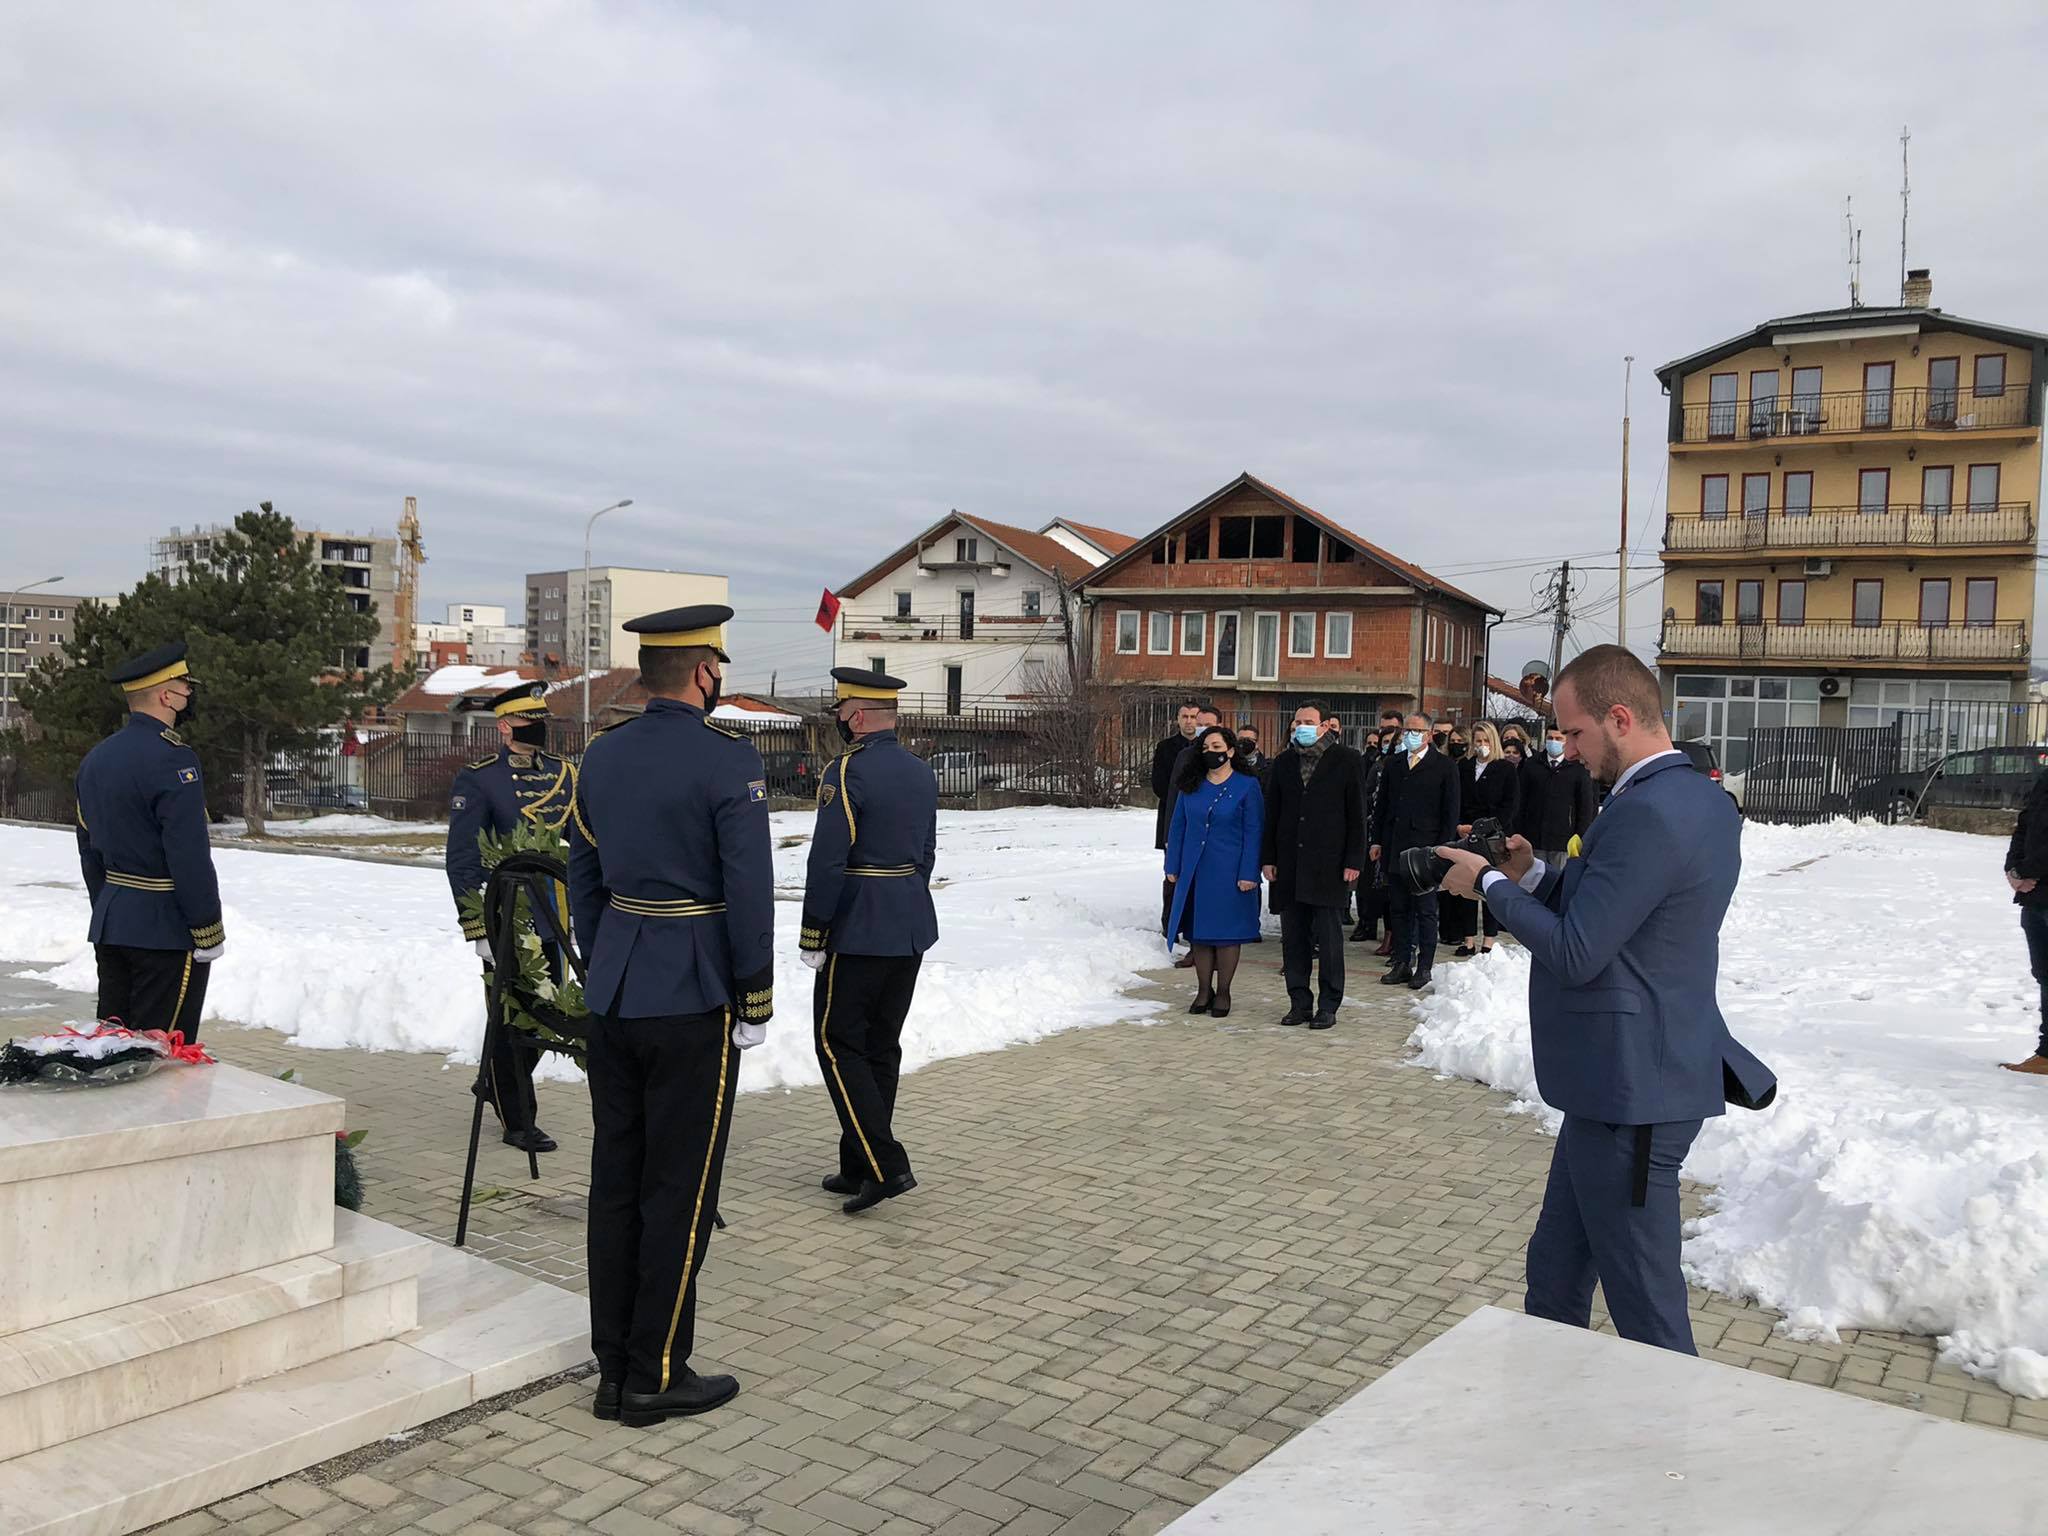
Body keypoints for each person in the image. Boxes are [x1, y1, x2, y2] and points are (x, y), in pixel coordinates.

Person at [1433, 645, 1776, 1356]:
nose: (1566, 749)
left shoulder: (1651, 809)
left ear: (1620, 718)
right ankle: (1554, 1408)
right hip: (1613, 1087)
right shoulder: (1691, 798)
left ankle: (1668, 1452)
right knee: (1554, 1274)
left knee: (1646, 1310)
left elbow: (1580, 952)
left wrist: (1489, 888)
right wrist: (1531, 876)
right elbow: (1624, 912)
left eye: (1575, 733)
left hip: (1635, 1095)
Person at [568, 605, 774, 1426]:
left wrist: (609, 953)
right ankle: (656, 1374)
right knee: (679, 1189)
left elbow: (583, 878)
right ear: (704, 673)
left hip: (616, 990)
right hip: (692, 996)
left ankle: (613, 1366)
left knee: (616, 1181)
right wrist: (753, 994)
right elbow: (749, 891)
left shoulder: (601, 756)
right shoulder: (727, 761)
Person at [800, 667, 940, 1212]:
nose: (837, 721)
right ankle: (858, 1160)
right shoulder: (919, 770)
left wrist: (815, 930)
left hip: (858, 927)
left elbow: (828, 858)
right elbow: (927, 852)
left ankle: (884, 1164)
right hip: (907, 921)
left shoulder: (845, 772)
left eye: (839, 712)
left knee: (838, 1044)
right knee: (880, 1045)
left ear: (855, 717)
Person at [445, 680, 577, 1154]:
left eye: (542, 721)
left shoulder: (566, 774)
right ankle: (519, 1120)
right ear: (505, 727)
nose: (538, 729)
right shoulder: (480, 779)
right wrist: (478, 926)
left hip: (559, 912)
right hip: (510, 918)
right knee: (514, 1017)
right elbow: (462, 860)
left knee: (553, 1014)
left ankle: (495, 1080)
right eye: (528, 722)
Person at [73, 641, 224, 1039]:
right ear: (166, 695)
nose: (189, 693)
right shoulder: (174, 759)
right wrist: (207, 927)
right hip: (164, 931)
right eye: (184, 686)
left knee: (114, 1051)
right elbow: (188, 854)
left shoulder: (96, 759)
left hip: (112, 924)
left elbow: (89, 851)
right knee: (162, 1055)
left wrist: (110, 908)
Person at [1260, 701, 1363, 1029]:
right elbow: (1272, 813)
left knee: (1329, 940)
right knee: (1294, 938)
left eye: (1309, 721)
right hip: (1290, 863)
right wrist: (1269, 858)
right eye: (1297, 721)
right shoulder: (1284, 762)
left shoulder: (1346, 760)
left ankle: (1328, 1004)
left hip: (1328, 864)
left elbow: (1356, 815)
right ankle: (1299, 1001)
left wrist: (1353, 860)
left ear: (1324, 726)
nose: (1302, 726)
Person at [1165, 725, 1264, 1018]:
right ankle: (1203, 990)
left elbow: (1253, 830)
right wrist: (1173, 866)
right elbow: (1178, 826)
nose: (1211, 753)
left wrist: (1249, 872)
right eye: (1206, 748)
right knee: (1200, 934)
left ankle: (1223, 992)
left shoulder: (1247, 786)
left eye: (1217, 748)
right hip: (1196, 870)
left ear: (1231, 751)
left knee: (1226, 934)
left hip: (1230, 871)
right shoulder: (1191, 785)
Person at [1371, 712, 1459, 990]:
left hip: (1426, 850)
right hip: (1396, 846)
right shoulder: (1395, 763)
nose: (1411, 734)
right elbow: (1382, 806)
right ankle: (1401, 961)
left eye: (1417, 730)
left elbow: (1450, 812)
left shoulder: (1444, 767)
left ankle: (1424, 966)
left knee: (1425, 910)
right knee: (1398, 908)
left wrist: (1442, 848)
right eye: (1407, 730)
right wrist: (1377, 841)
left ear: (1430, 734)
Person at [1160, 705, 1222, 966]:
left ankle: (1220, 947)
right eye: (1200, 723)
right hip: (1191, 836)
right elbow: (1174, 798)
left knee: (1216, 894)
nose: (1203, 728)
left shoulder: (1229, 755)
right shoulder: (1186, 756)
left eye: (1210, 724)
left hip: (1220, 839)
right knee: (1191, 893)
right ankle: (1195, 948)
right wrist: (1170, 837)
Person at [1451, 722, 1519, 958]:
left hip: (1493, 836)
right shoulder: (1464, 767)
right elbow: (1455, 798)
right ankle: (1467, 938)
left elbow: (1509, 805)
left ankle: (1488, 939)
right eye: (1478, 741)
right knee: (1467, 886)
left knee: (1490, 885)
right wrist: (1459, 825)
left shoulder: (1505, 769)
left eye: (1486, 741)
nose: (1482, 746)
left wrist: (1486, 828)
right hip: (1466, 834)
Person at [2002, 765, 2048, 1076]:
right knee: (2045, 974)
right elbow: (2024, 824)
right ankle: (2046, 1055)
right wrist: (2013, 869)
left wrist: (2027, 870)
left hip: (2036, 881)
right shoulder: (2045, 779)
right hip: (2036, 895)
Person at [1519, 724, 1599, 868]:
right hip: (1534, 838)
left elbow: (1586, 806)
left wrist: (1580, 835)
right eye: (1550, 738)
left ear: (1565, 740)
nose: (1553, 741)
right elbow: (1521, 801)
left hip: (1563, 841)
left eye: (1558, 738)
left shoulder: (1578, 768)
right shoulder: (1532, 765)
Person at [1152, 702, 1202, 929]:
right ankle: (1170, 922)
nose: (1189, 721)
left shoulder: (1208, 746)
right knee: (1172, 871)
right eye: (1185, 716)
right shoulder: (1166, 748)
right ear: (1178, 719)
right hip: (1172, 815)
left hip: (1201, 818)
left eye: (1193, 717)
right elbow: (1160, 785)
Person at [1351, 721, 1399, 947]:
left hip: (1400, 833)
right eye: (1387, 742)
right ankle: (1370, 924)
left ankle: (1394, 936)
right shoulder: (1378, 766)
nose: (1393, 746)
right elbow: (1367, 795)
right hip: (1376, 831)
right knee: (1373, 886)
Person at [1440, 727, 1477, 951]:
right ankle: (1446, 930)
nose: (1456, 744)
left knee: (1464, 886)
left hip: (1468, 829)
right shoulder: (1446, 764)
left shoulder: (1468, 767)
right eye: (1452, 740)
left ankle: (1463, 932)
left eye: (1461, 741)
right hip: (1450, 828)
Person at [1235, 724, 1271, 791]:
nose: (1244, 742)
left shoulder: (1268, 767)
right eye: (1241, 739)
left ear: (1257, 744)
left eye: (1248, 739)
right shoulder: (1230, 765)